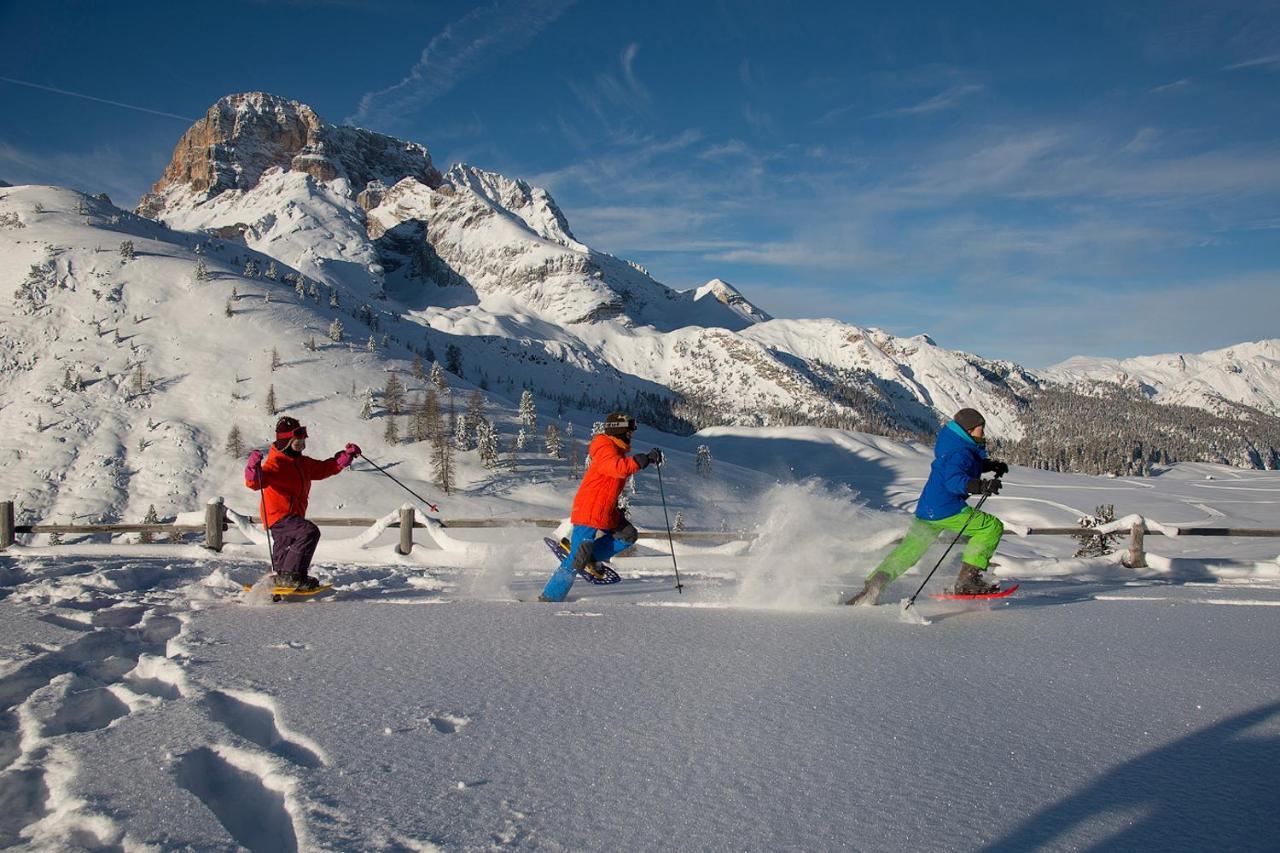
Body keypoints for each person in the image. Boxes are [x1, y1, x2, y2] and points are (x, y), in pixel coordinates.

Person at [847, 408, 1009, 605]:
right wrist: (981, 485)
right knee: (991, 527)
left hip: (928, 508)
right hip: (947, 509)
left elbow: (961, 465)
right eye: (979, 428)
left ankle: (874, 585)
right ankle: (968, 581)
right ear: (968, 430)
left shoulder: (955, 446)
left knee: (910, 550)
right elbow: (953, 479)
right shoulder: (962, 451)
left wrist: (989, 466)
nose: (983, 432)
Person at [539, 412, 663, 603]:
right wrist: (641, 460)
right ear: (619, 430)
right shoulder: (604, 447)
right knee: (576, 559)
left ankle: (589, 556)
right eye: (629, 430)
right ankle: (550, 597)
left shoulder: (616, 449)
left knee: (628, 534)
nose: (631, 434)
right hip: (590, 509)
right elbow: (617, 468)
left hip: (605, 509)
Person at [244, 416, 361, 589]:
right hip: (278, 515)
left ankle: (280, 581)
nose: (301, 446)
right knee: (309, 532)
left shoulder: (303, 463)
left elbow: (323, 469)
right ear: (285, 442)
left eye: (303, 442)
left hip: (293, 515)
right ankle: (292, 577)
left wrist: (344, 458)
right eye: (297, 443)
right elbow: (254, 483)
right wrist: (253, 468)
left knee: (285, 550)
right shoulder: (276, 464)